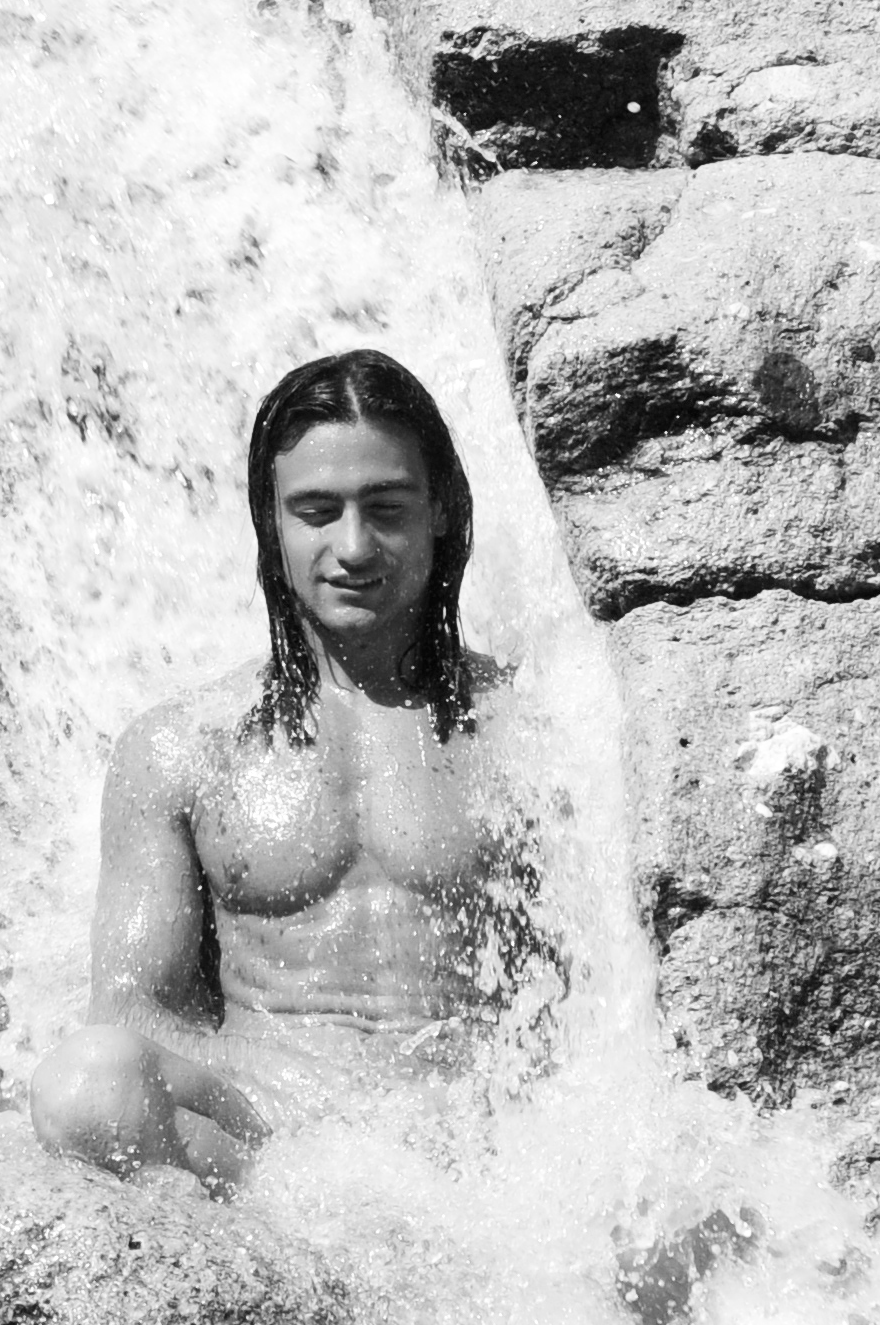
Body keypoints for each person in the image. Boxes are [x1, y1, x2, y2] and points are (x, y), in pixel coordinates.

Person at [30, 347, 554, 1188]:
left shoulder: (535, 728)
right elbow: (134, 1009)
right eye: (317, 511)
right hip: (273, 1136)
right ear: (271, 524)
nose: (354, 546)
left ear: (443, 512)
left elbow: (589, 998)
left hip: (482, 1147)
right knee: (85, 1084)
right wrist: (318, 1133)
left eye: (386, 508)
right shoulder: (182, 746)